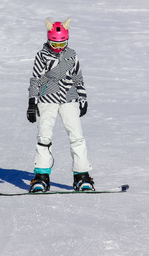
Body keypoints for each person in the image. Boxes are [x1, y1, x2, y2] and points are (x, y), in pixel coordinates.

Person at [26, 18, 94, 193]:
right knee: (44, 137)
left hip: (69, 98)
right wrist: (32, 101)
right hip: (47, 99)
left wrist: (83, 97)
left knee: (77, 137)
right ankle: (41, 177)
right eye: (54, 45)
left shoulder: (72, 54)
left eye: (62, 44)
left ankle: (82, 176)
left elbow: (78, 77)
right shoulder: (42, 55)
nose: (58, 48)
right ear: (49, 41)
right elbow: (36, 79)